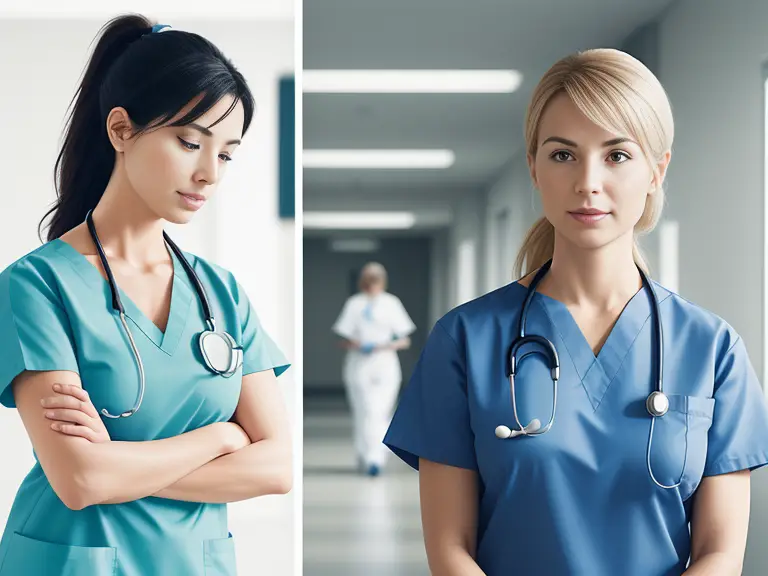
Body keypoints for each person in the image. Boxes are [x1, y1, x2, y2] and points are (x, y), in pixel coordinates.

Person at [383, 48, 768, 575]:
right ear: (534, 168)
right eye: (563, 154)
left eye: (617, 155)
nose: (588, 181)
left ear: (657, 171)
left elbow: (720, 554)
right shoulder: (465, 340)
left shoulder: (711, 349)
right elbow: (451, 547)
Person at [0, 15, 291, 576]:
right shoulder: (36, 287)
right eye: (190, 142)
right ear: (121, 130)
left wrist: (118, 468)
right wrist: (224, 435)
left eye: (227, 153)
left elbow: (276, 467)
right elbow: (81, 481)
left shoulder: (221, 293)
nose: (209, 173)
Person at [332, 262, 415, 476]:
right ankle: (365, 454)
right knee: (364, 411)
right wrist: (359, 345)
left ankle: (375, 458)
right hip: (359, 365)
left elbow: (405, 340)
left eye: (375, 281)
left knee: (379, 411)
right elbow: (342, 339)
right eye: (368, 281)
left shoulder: (391, 303)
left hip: (385, 363)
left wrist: (383, 345)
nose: (371, 286)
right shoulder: (354, 304)